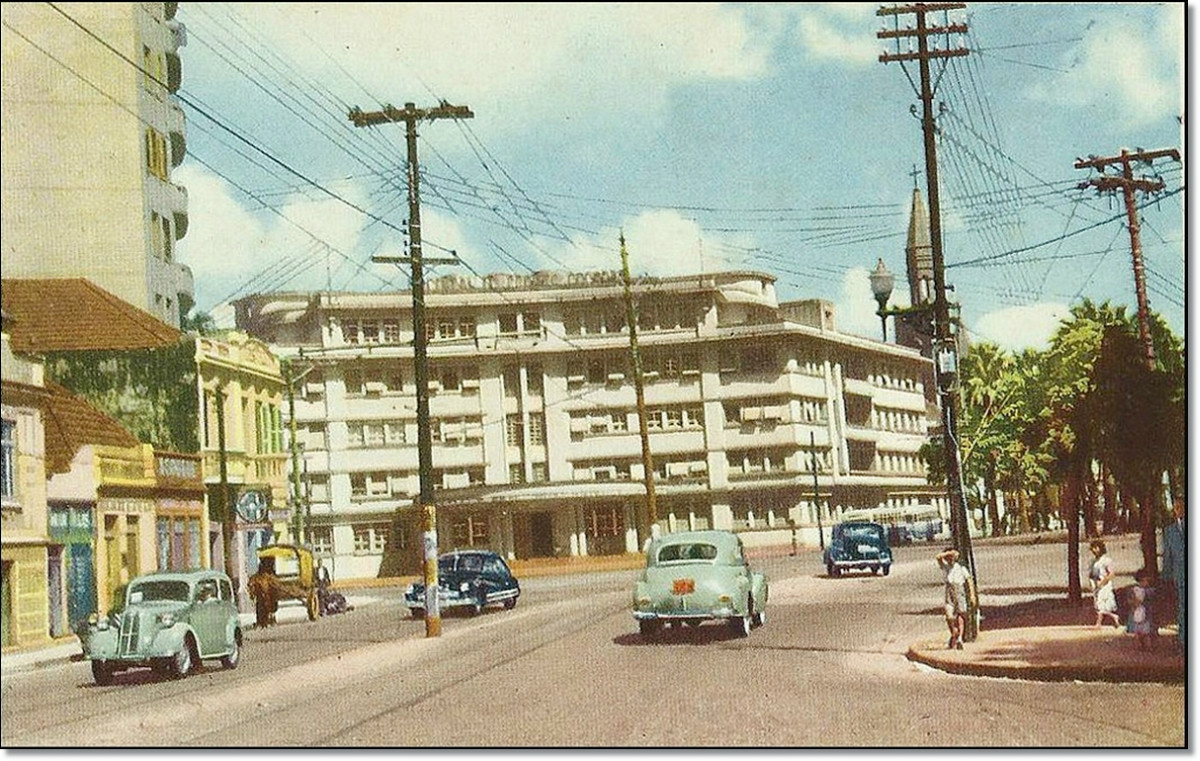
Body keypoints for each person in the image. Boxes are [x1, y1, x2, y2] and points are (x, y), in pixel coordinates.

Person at [1161, 496, 1185, 652]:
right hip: (1180, 576)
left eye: (1182, 507)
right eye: (1176, 508)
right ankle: (1183, 640)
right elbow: (1167, 556)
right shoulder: (1169, 531)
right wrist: (1166, 577)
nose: (1180, 510)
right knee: (1183, 608)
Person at [937, 547, 973, 650]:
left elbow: (969, 580)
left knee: (960, 615)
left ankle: (960, 639)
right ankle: (954, 632)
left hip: (959, 591)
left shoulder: (961, 568)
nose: (950, 559)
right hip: (949, 591)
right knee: (949, 615)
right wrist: (947, 554)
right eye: (948, 558)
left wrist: (971, 595)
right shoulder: (946, 567)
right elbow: (938, 558)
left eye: (951, 557)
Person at [1088, 539, 1120, 629]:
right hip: (1096, 585)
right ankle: (1114, 617)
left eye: (1096, 548)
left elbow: (1111, 573)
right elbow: (1091, 574)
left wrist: (1103, 582)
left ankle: (1098, 623)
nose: (1094, 550)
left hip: (1104, 585)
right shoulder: (1093, 562)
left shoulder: (1107, 560)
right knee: (1099, 604)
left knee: (1101, 604)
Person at [1127, 568, 1157, 650]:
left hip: (1143, 613)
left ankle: (1147, 646)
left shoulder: (1147, 591)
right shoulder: (1138, 590)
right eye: (1145, 581)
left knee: (1144, 632)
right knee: (1141, 632)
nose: (1146, 583)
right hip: (1140, 612)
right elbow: (1130, 600)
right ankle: (1141, 645)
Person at [247, 557, 278, 628]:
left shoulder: (271, 576)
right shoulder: (257, 577)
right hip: (261, 597)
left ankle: (268, 619)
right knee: (261, 607)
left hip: (268, 596)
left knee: (268, 604)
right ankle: (262, 621)